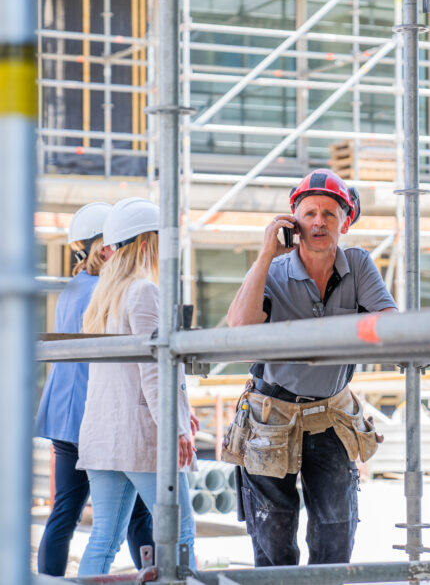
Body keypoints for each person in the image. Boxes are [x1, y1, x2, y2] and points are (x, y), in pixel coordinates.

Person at [226, 169, 397, 567]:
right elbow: (238, 324)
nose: (318, 222)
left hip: (330, 415)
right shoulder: (274, 269)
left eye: (329, 213)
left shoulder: (357, 264)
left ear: (345, 222)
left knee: (336, 529)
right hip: (272, 415)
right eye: (309, 213)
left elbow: (390, 322)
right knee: (274, 534)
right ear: (293, 222)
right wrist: (266, 253)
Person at [76, 197, 197, 576]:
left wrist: (184, 414)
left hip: (104, 437)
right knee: (180, 535)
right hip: (142, 439)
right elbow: (154, 373)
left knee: (104, 541)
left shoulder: (103, 297)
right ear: (146, 244)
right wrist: (177, 429)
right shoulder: (143, 292)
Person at [34, 202, 154, 576]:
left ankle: (47, 581)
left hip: (64, 418)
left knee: (65, 512)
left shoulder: (74, 286)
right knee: (138, 516)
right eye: (112, 244)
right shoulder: (108, 290)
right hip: (99, 421)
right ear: (101, 249)